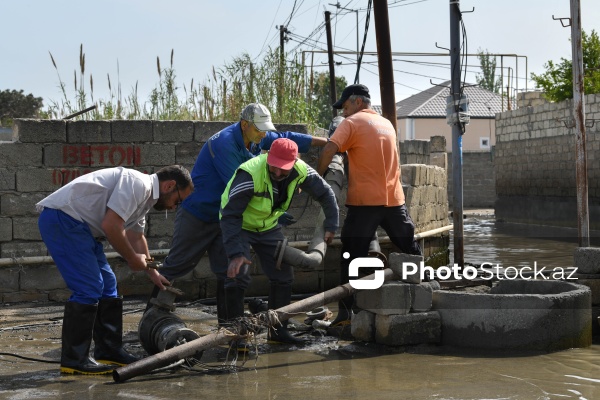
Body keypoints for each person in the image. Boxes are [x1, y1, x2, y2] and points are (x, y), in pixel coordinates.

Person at [150, 103, 327, 333]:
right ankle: (150, 318)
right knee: (175, 266)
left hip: (226, 219)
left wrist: (323, 142)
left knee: (228, 272)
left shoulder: (256, 136)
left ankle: (229, 331)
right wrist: (277, 213)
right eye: (260, 129)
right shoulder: (224, 144)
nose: (264, 134)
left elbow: (282, 137)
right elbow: (241, 188)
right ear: (245, 125)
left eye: (265, 130)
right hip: (199, 214)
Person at [37, 165, 193, 375]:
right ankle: (74, 360)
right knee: (89, 287)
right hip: (63, 219)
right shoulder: (137, 184)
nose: (175, 207)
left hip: (82, 229)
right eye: (178, 200)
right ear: (169, 185)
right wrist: (131, 259)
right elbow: (111, 225)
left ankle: (109, 350)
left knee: (108, 285)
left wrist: (152, 272)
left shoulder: (146, 199)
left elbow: (136, 237)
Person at [317, 84, 422, 326]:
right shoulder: (387, 124)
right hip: (394, 201)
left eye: (345, 107)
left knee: (350, 258)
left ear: (357, 102)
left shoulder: (352, 123)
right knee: (409, 249)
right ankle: (422, 298)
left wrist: (317, 178)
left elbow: (330, 149)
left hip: (365, 203)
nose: (343, 113)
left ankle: (346, 315)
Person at [220, 138, 338, 344]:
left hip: (267, 227)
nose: (277, 173)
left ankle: (278, 332)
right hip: (240, 225)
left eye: (283, 170)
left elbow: (326, 194)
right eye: (273, 167)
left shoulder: (302, 171)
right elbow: (230, 216)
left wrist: (331, 225)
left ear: (294, 163)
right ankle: (235, 335)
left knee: (283, 275)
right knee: (237, 275)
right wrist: (235, 253)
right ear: (267, 157)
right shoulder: (250, 174)